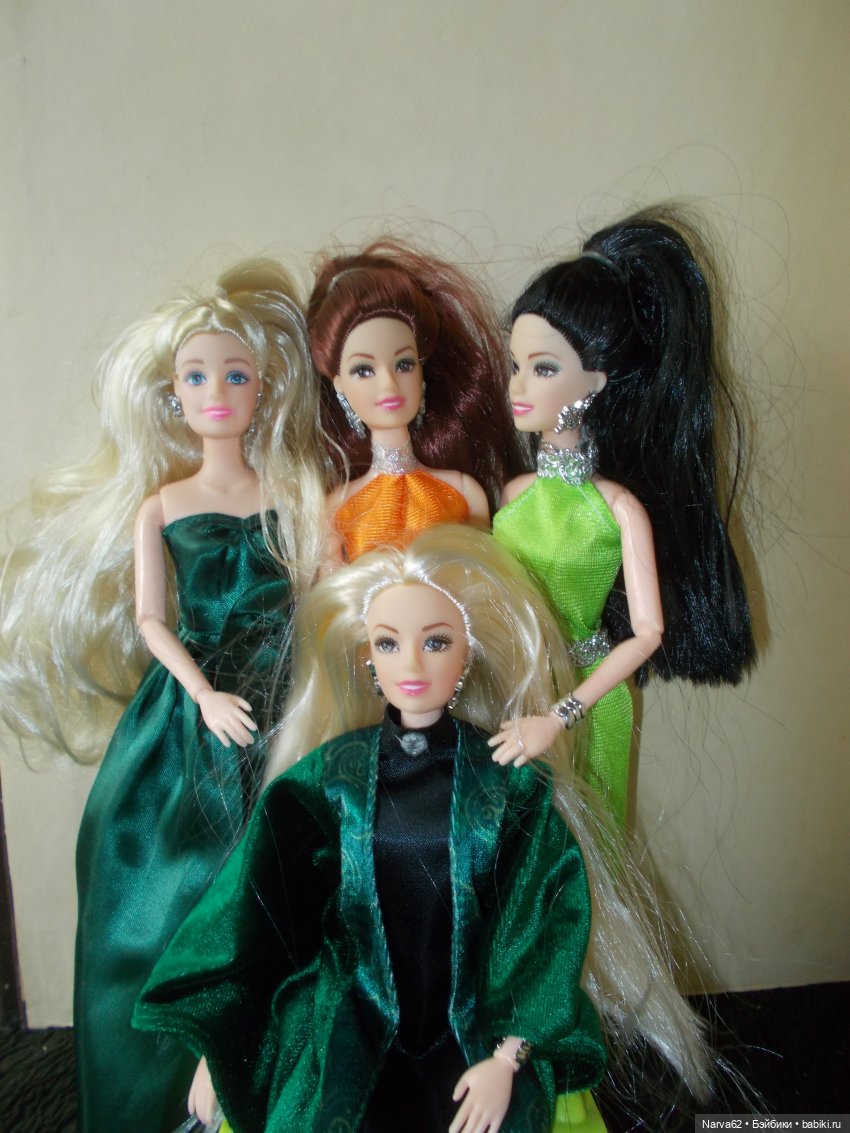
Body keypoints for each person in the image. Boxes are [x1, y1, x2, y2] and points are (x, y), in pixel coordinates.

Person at [135, 526, 713, 1133]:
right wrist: (223, 1047)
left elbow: (542, 924)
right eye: (388, 644)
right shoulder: (330, 778)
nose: (410, 664)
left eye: (436, 642)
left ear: (470, 652)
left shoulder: (506, 784)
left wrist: (507, 1059)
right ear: (367, 656)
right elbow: (265, 915)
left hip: (472, 1036)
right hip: (347, 1030)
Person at [0, 259, 329, 1133]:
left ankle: (269, 1086)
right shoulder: (162, 504)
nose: (216, 393)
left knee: (281, 890)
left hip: (285, 698)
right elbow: (153, 620)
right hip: (190, 711)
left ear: (264, 388)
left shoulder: (293, 492)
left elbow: (319, 598)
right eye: (197, 377)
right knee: (155, 882)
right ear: (171, 395)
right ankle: (159, 1094)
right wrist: (203, 693)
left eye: (235, 375)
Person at [491, 206, 755, 826]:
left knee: (587, 846)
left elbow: (647, 634)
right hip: (512, 689)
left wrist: (560, 716)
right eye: (516, 365)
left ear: (594, 383)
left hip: (584, 702)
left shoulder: (618, 508)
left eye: (544, 368)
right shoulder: (513, 494)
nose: (519, 386)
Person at [306, 239, 526, 562]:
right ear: (340, 386)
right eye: (364, 370)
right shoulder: (338, 510)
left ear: (422, 372)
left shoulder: (463, 494)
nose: (389, 383)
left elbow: (481, 582)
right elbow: (331, 592)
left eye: (404, 364)